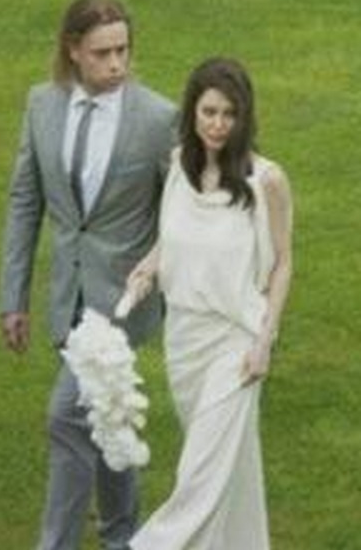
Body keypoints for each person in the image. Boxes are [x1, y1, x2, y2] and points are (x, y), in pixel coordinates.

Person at [0, 0, 177, 550]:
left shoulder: (158, 118)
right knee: (105, 416)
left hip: (123, 301)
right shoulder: (41, 105)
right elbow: (25, 201)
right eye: (103, 53)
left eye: (123, 50)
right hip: (67, 297)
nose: (117, 64)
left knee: (67, 420)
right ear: (73, 49)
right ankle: (123, 536)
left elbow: (185, 210)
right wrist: (13, 298)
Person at [122, 57, 293, 550]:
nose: (218, 125)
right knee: (231, 471)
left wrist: (264, 342)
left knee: (199, 478)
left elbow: (283, 263)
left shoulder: (267, 181)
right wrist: (148, 268)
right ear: (192, 112)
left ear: (245, 117)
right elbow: (173, 238)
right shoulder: (180, 165)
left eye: (230, 114)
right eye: (209, 112)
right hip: (185, 342)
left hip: (236, 345)